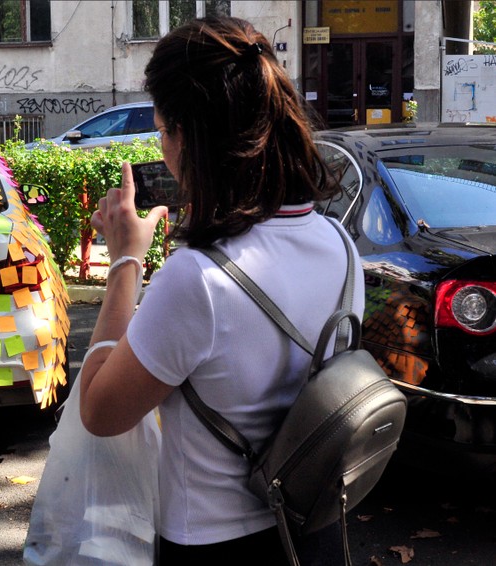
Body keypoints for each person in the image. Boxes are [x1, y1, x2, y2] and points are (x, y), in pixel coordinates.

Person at [78, 15, 365, 564]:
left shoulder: (199, 279)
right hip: (317, 533)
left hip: (214, 545)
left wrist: (125, 261)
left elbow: (101, 411)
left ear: (191, 137)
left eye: (162, 130)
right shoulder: (339, 244)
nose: (161, 147)